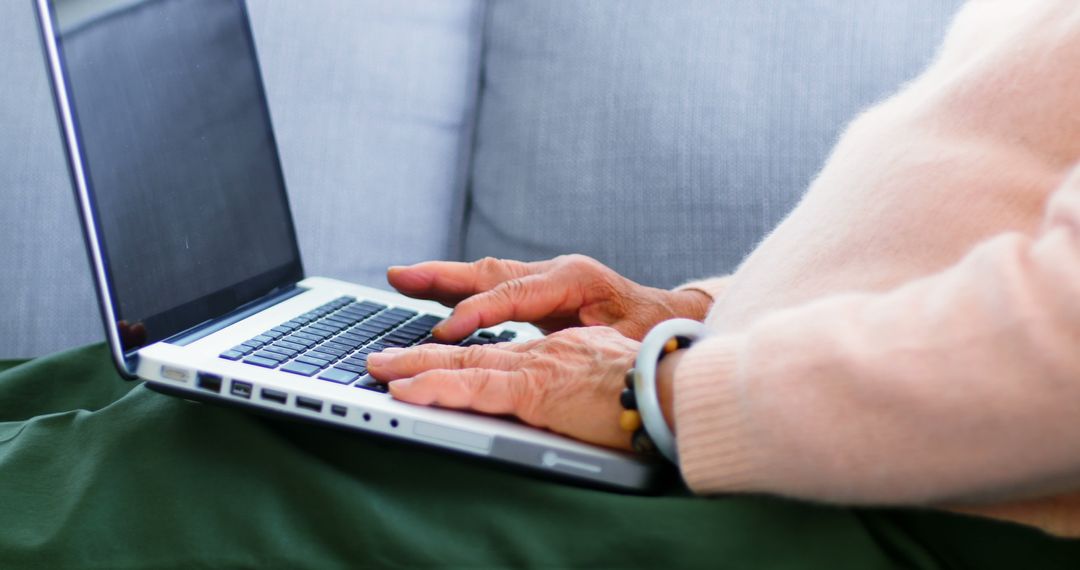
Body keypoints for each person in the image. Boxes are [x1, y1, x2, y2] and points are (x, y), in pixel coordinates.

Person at [368, 0, 1080, 536]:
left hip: (911, 518)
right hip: (817, 459)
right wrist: (690, 318)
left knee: (278, 475)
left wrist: (654, 389)